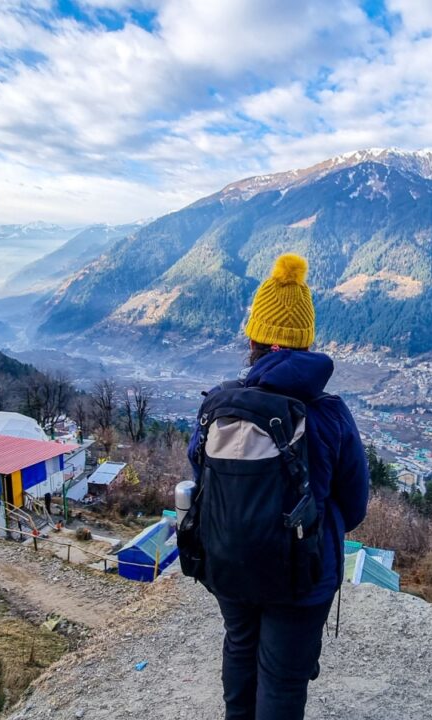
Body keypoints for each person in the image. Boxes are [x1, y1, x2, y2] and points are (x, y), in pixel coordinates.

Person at [187, 253, 370, 720]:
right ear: (307, 341)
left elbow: (200, 471)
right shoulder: (329, 414)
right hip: (302, 574)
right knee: (283, 679)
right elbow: (353, 505)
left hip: (229, 559)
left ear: (254, 337)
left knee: (240, 650)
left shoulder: (218, 405)